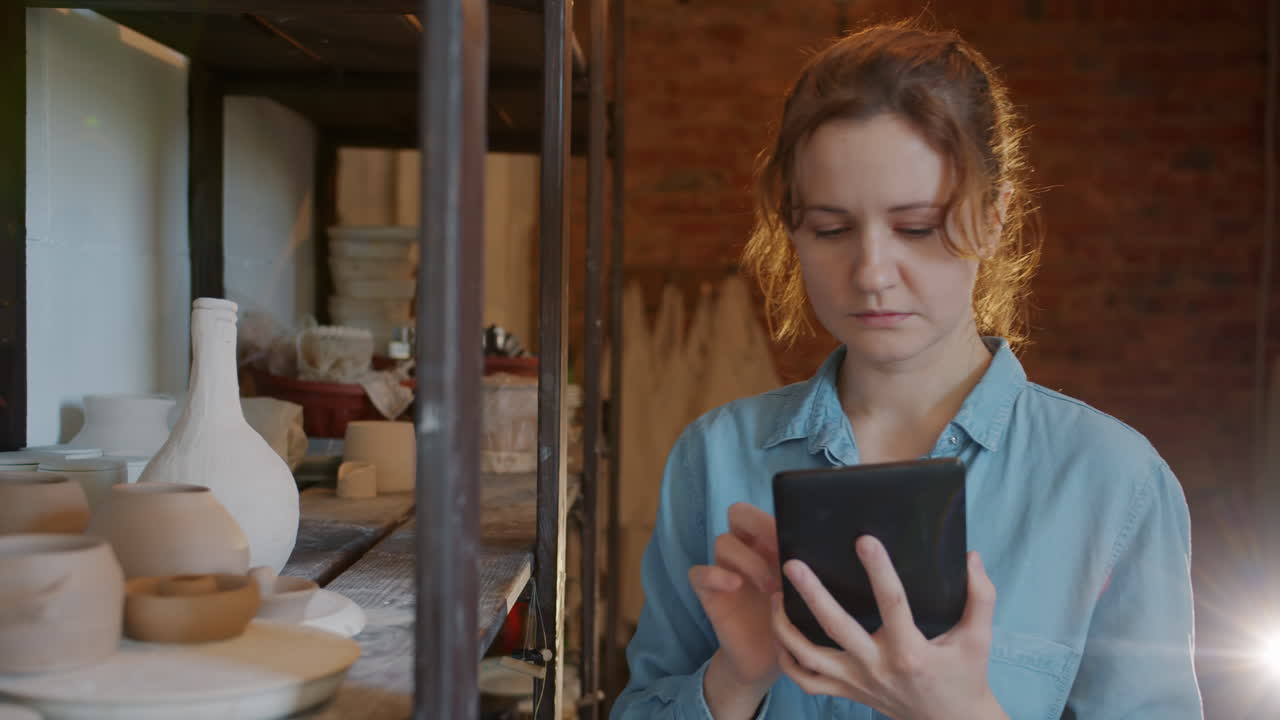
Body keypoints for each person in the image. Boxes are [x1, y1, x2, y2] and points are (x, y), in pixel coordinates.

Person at [610, 20, 1202, 720]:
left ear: (993, 217)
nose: (871, 273)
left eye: (916, 227)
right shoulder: (715, 457)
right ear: (790, 227)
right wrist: (735, 679)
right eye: (831, 229)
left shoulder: (1111, 481)